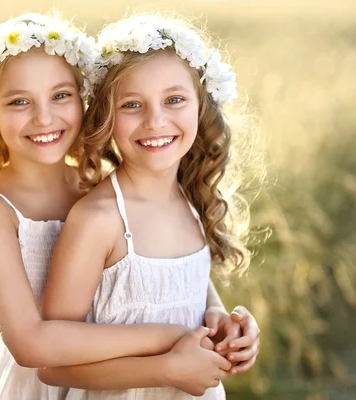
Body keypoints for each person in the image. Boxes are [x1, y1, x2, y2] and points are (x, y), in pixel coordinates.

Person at [0, 13, 244, 400]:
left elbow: (160, 269)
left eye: (61, 95)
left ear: (85, 102)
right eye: (19, 101)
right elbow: (32, 346)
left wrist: (215, 317)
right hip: (37, 383)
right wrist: (174, 336)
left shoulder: (95, 183)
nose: (44, 117)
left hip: (112, 370)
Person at [39, 15, 261, 399]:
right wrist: (167, 370)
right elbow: (51, 363)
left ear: (201, 107)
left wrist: (223, 323)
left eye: (174, 100)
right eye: (131, 105)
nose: (155, 121)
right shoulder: (98, 220)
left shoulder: (192, 198)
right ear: (106, 117)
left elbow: (185, 289)